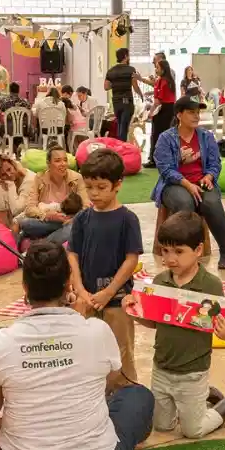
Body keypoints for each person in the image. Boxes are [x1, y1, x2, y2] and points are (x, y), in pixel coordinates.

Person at [0, 241, 154, 450]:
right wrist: (78, 323)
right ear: (68, 286)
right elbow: (109, 379)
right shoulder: (96, 330)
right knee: (138, 395)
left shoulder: (2, 340)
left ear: (25, 287)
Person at [124, 213, 225, 439]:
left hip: (193, 371)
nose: (170, 258)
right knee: (162, 426)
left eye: (179, 251)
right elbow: (155, 323)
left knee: (194, 431)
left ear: (198, 250)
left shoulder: (210, 285)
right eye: (165, 250)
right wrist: (134, 312)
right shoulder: (160, 282)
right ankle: (204, 395)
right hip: (162, 367)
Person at [69, 149, 142, 383]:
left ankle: (126, 396)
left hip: (118, 301)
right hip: (87, 299)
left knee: (121, 354)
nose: (94, 193)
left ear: (118, 184)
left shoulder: (127, 219)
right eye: (89, 187)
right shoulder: (82, 218)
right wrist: (80, 290)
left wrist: (109, 291)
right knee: (89, 353)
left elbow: (132, 259)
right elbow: (72, 254)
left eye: (101, 187)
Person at [152, 97, 225, 269]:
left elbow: (215, 163)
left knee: (211, 202)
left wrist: (209, 177)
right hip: (174, 184)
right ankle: (184, 252)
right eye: (191, 112)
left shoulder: (206, 136)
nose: (196, 116)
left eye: (198, 112)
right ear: (179, 115)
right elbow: (165, 169)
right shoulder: (166, 138)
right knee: (185, 202)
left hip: (202, 182)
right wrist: (187, 184)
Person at [21, 145, 89, 242]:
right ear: (48, 164)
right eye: (58, 161)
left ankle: (43, 246)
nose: (63, 164)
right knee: (26, 223)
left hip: (69, 220)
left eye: (65, 160)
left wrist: (73, 219)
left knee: (72, 228)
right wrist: (46, 215)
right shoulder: (39, 178)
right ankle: (57, 237)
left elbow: (86, 206)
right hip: (48, 221)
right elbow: (29, 208)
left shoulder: (77, 178)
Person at [0, 152, 31, 229]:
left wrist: (11, 185)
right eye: (3, 174)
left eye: (9, 169)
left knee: (0, 190)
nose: (9, 175)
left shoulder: (28, 180)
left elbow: (17, 209)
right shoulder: (2, 182)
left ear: (13, 165)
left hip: (9, 216)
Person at [145, 60, 177, 169]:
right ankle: (167, 159)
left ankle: (154, 160)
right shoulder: (170, 81)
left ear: (163, 69)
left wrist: (149, 113)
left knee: (156, 135)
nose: (156, 69)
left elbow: (158, 101)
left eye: (157, 67)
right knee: (167, 134)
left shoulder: (162, 81)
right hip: (171, 109)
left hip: (162, 110)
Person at [104, 47, 141, 142]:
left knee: (120, 125)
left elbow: (106, 87)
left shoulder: (111, 71)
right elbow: (135, 86)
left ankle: (119, 147)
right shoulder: (131, 69)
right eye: (128, 55)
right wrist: (141, 95)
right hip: (127, 102)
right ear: (125, 56)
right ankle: (122, 149)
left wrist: (116, 84)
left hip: (116, 102)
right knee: (124, 128)